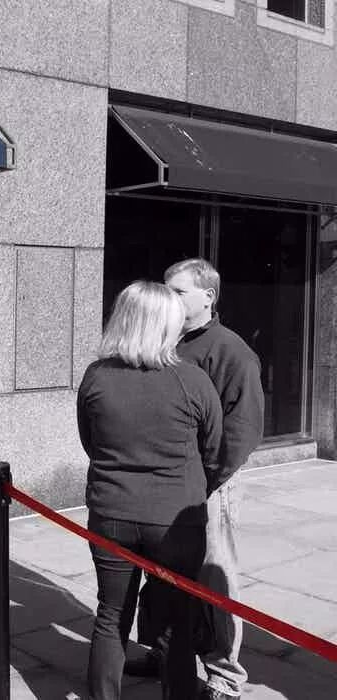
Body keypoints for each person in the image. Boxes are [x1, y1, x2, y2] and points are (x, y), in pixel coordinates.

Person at [126, 259, 265, 700]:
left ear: (208, 296)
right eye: (166, 289)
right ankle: (164, 652)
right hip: (163, 482)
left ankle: (225, 675)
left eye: (179, 291)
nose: (169, 297)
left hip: (206, 488)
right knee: (159, 572)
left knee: (212, 578)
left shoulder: (231, 352)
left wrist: (205, 483)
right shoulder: (163, 340)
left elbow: (242, 431)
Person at [78, 281, 223, 700]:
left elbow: (90, 441)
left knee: (111, 615)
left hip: (111, 512)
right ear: (169, 326)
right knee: (177, 620)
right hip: (174, 520)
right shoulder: (191, 379)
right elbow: (214, 451)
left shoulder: (97, 376)